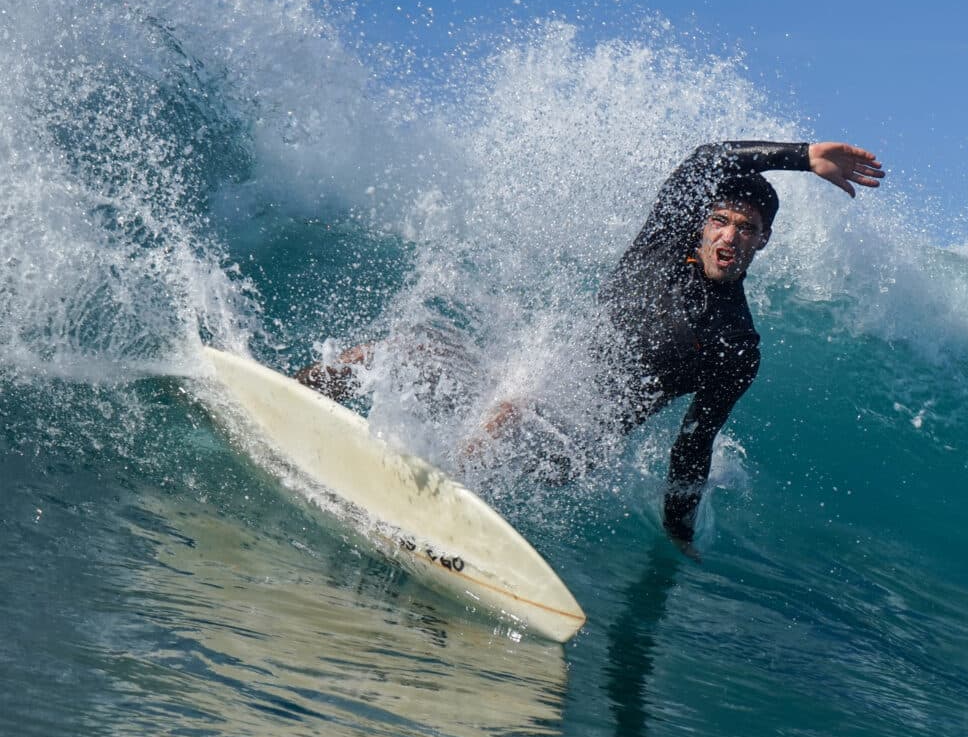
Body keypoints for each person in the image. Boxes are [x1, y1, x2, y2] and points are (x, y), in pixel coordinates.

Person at [296, 140, 885, 554]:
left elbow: (693, 445)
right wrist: (801, 159)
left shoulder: (735, 343)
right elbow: (708, 157)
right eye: (722, 222)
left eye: (747, 229)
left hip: (571, 446)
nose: (730, 236)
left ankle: (426, 519)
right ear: (702, 223)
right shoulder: (661, 244)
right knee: (403, 349)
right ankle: (288, 394)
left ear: (764, 241)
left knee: (506, 413)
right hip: (516, 393)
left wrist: (678, 534)